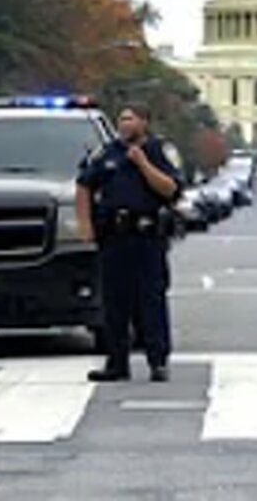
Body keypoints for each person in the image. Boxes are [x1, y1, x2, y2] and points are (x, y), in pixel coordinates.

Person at [76, 102, 184, 383]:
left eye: (130, 119)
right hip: (114, 237)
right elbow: (84, 184)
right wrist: (85, 223)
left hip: (147, 237)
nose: (124, 124)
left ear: (144, 122)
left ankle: (157, 361)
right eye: (121, 119)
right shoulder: (107, 153)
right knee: (114, 304)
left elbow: (170, 189)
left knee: (150, 301)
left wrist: (142, 163)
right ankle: (116, 363)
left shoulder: (159, 151)